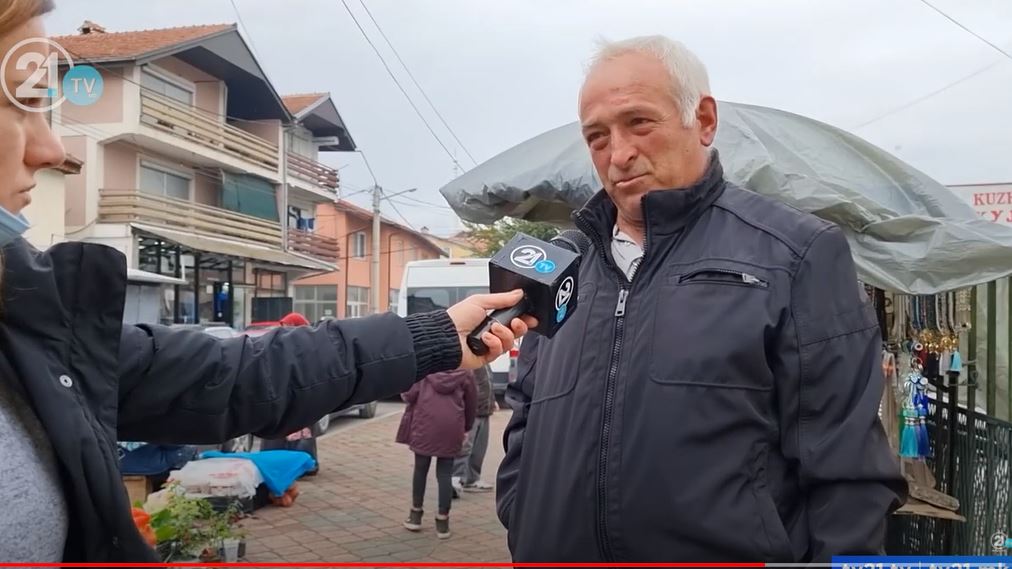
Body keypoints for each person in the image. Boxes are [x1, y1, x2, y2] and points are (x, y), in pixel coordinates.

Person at [0, 1, 535, 562]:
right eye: (22, 103)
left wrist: (434, 337)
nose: (52, 149)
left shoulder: (31, 324)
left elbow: (239, 375)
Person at [495, 35, 907, 563]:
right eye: (597, 136)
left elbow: (847, 471)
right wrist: (521, 514)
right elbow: (525, 415)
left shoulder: (796, 254)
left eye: (639, 122)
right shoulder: (558, 265)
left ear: (704, 119)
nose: (618, 154)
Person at [397, 370, 477, 539]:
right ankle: (443, 522)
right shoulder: (466, 372)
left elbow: (409, 395)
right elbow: (471, 404)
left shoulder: (426, 369)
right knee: (445, 473)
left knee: (420, 470)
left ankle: (415, 516)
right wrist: (466, 427)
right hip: (451, 426)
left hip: (424, 423)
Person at [452, 364, 495, 494]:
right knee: (465, 446)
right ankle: (456, 478)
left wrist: (492, 402)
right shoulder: (469, 361)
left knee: (479, 448)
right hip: (471, 411)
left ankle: (472, 479)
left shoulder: (484, 362)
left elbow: (487, 384)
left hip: (485, 409)